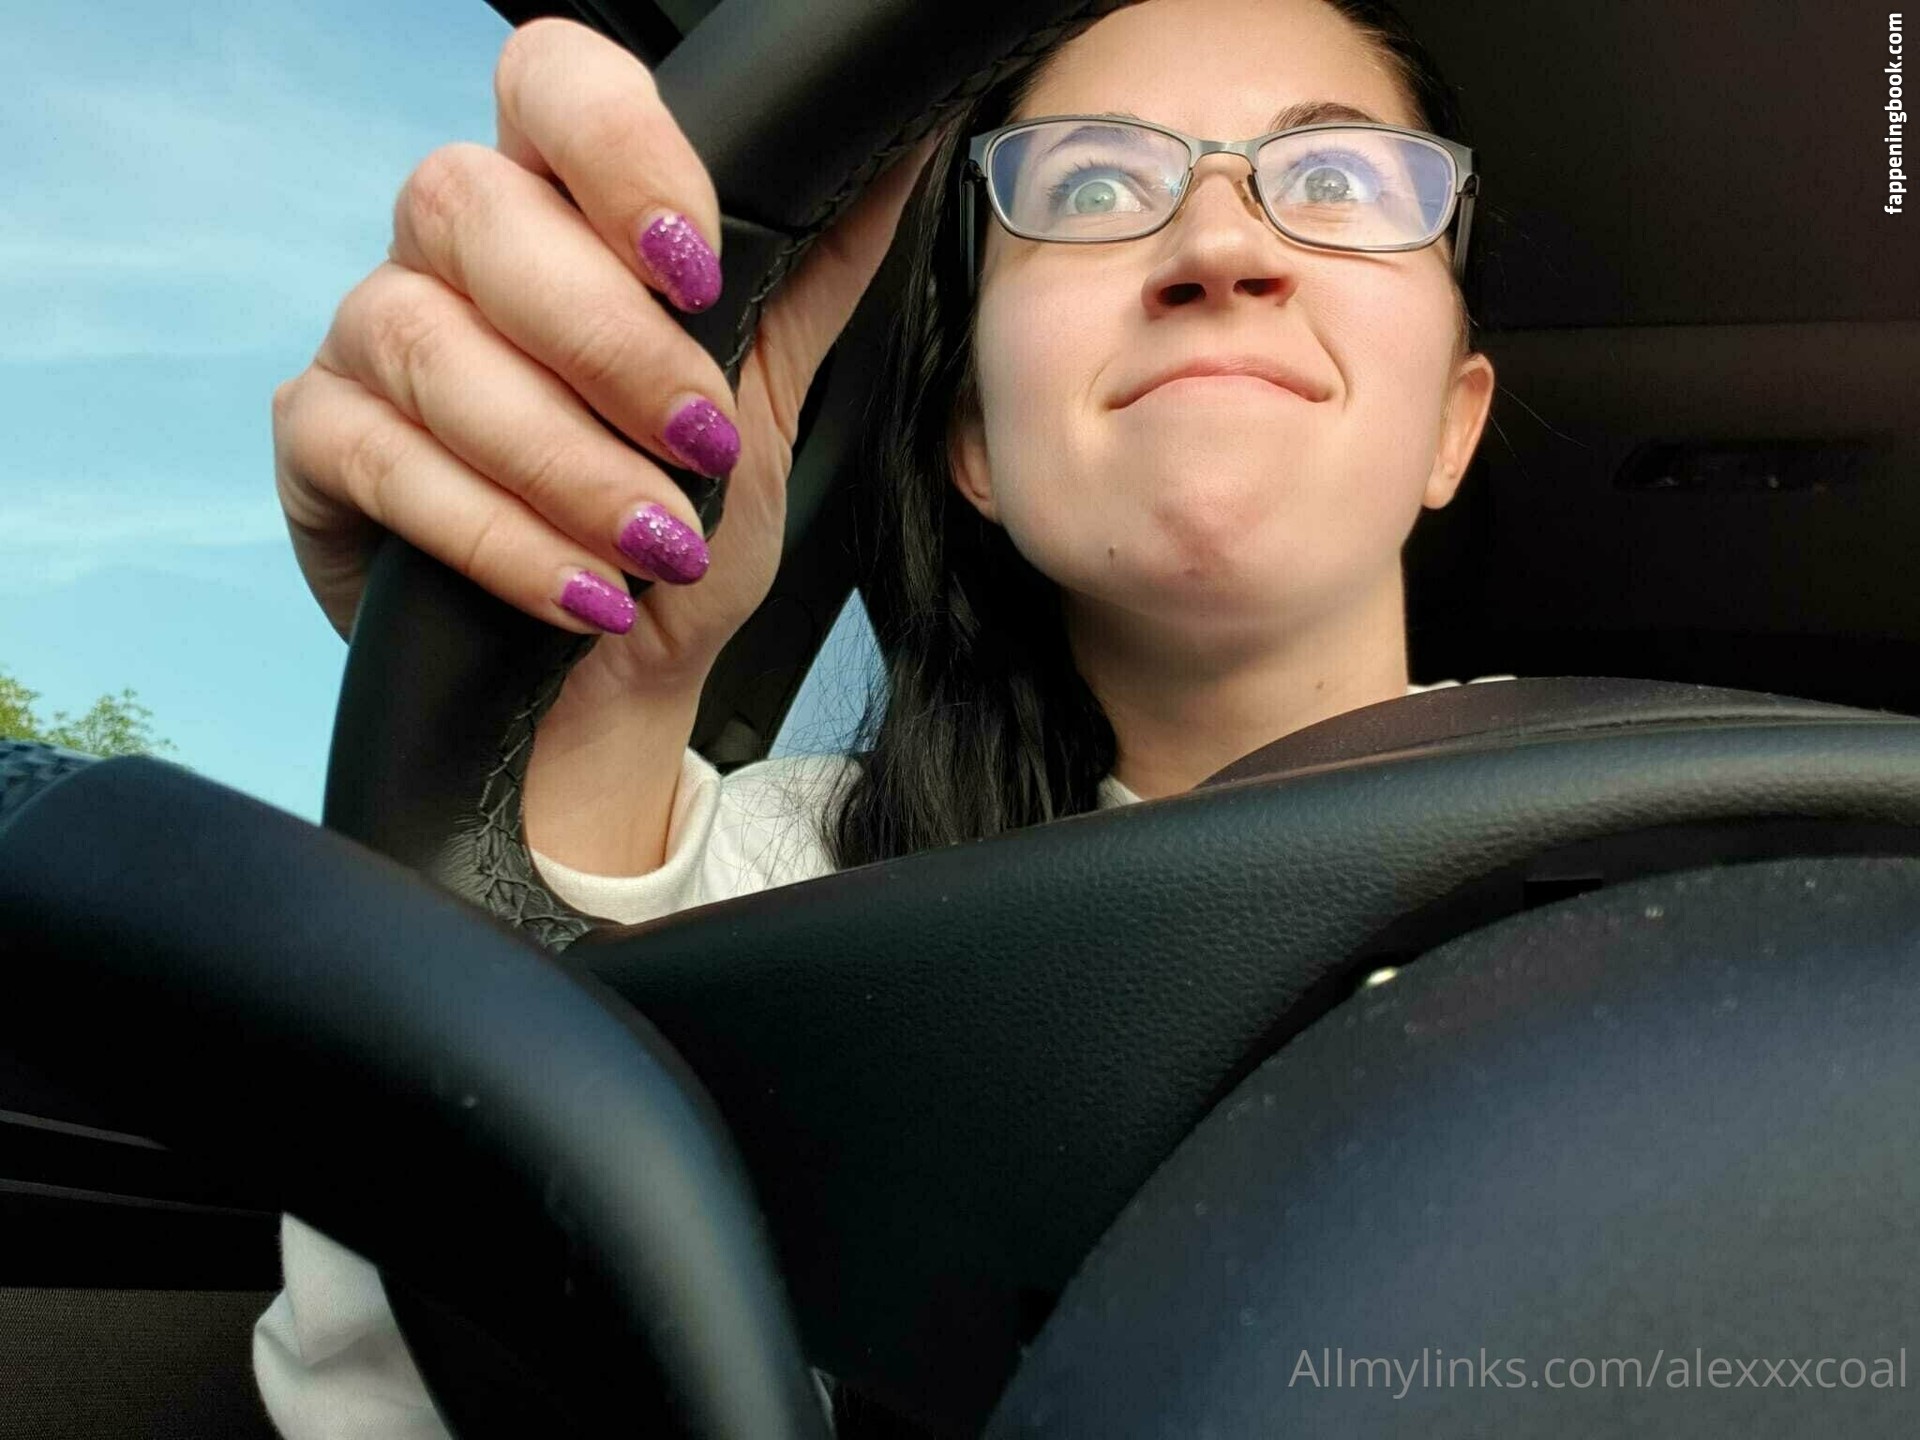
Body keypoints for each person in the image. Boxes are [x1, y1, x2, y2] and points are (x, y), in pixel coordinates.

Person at [254, 0, 1506, 1431]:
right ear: (974, 443)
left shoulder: (1684, 848)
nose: (1220, 247)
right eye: (1094, 186)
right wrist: (571, 711)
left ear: (1454, 423)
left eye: (1336, 178)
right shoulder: (781, 896)